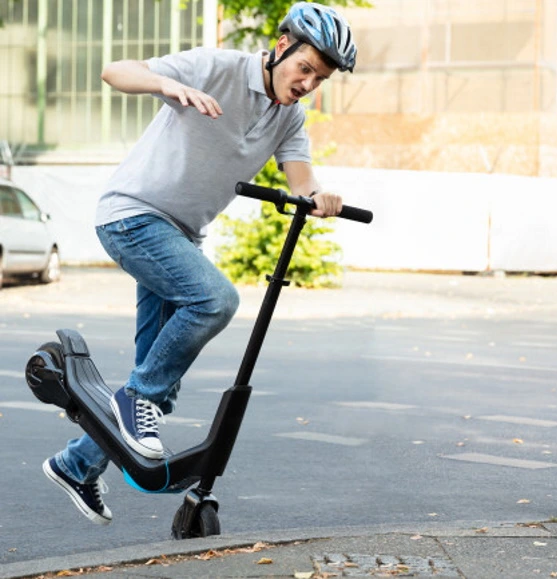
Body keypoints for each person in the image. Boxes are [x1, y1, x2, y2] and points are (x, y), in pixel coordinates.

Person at [43, 1, 357, 525]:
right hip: (132, 216)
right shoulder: (218, 66)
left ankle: (76, 465)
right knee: (214, 300)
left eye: (319, 78)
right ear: (282, 47)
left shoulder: (289, 117)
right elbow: (115, 71)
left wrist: (320, 197)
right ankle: (132, 399)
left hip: (181, 236)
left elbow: (302, 180)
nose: (307, 84)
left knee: (158, 388)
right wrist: (167, 86)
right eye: (305, 69)